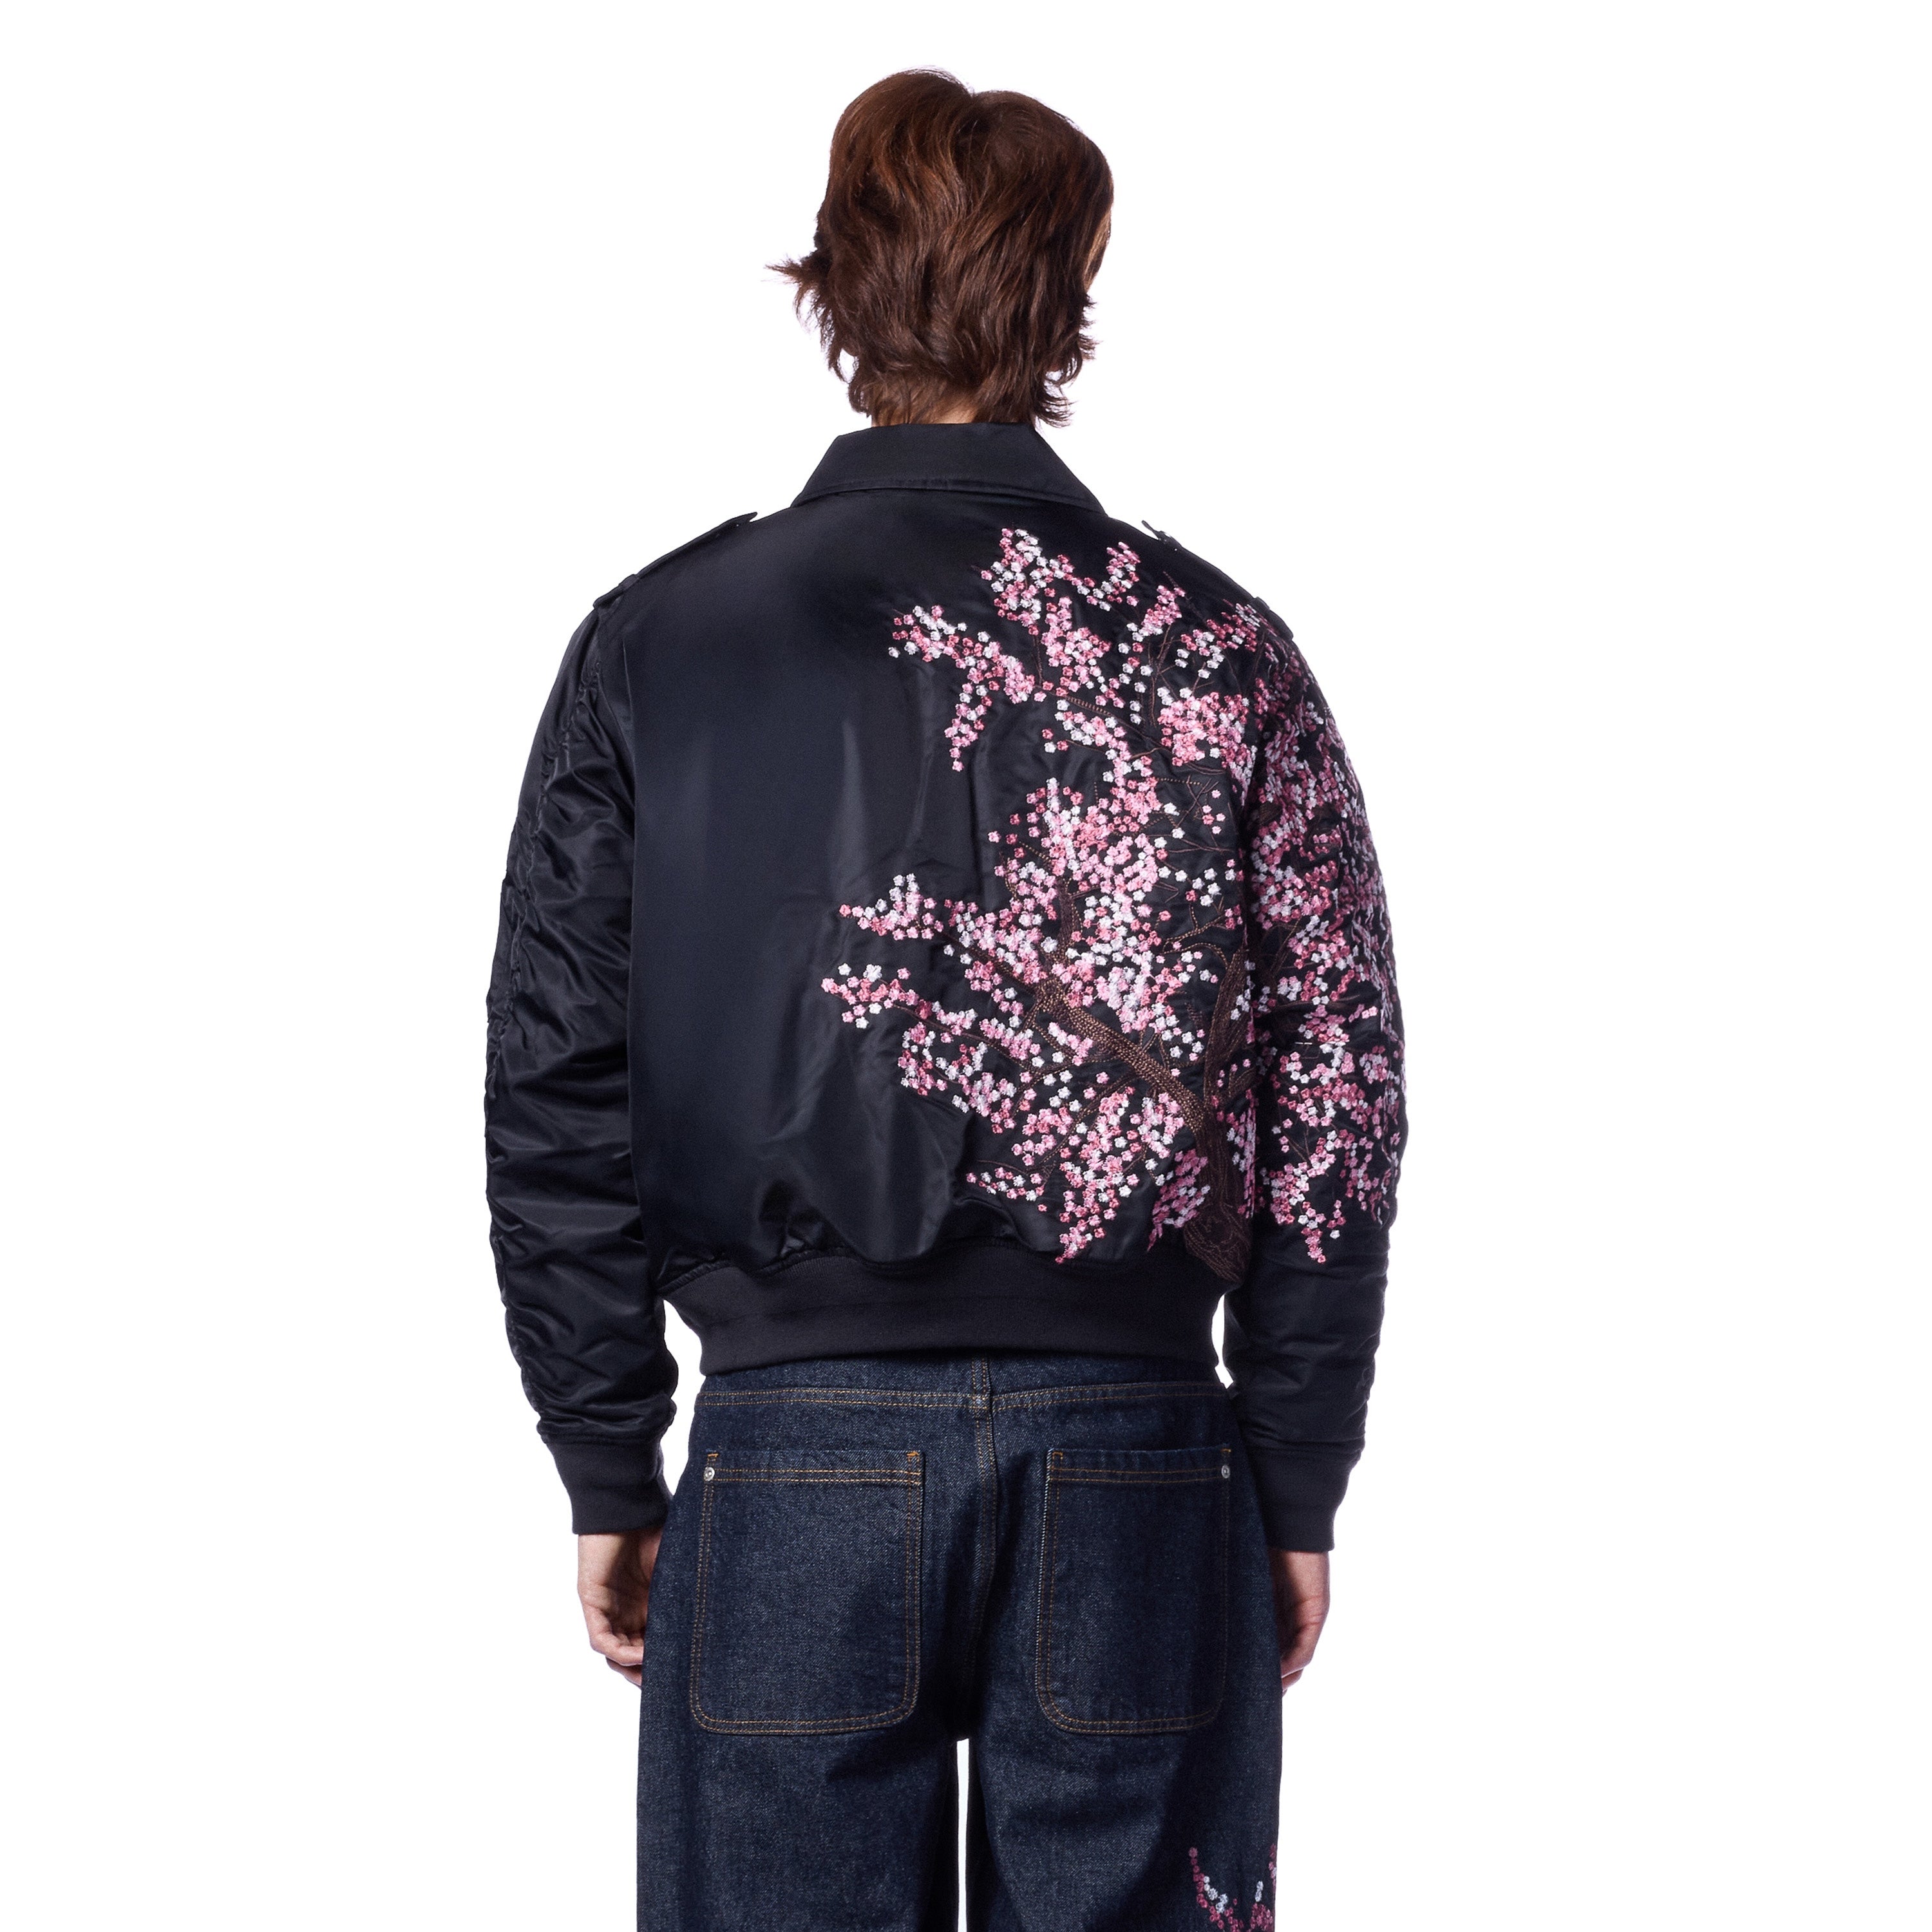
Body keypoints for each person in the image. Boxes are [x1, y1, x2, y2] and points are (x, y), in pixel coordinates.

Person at [484, 68, 1405, 1931]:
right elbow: (1337, 1095)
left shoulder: (661, 641)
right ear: (1077, 284)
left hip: (790, 1455)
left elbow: (557, 1072)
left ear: (833, 280)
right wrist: (1292, 1473)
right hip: (1140, 1458)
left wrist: (610, 1454)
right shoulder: (1221, 650)